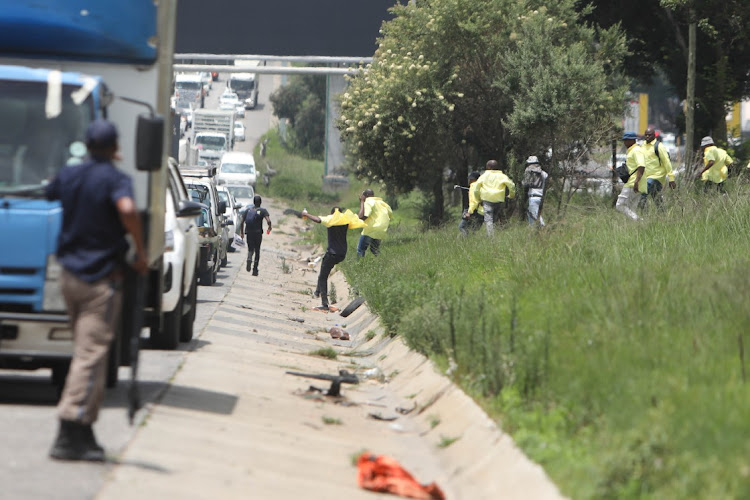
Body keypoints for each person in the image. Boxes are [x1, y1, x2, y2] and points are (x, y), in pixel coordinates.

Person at [44, 119, 148, 462]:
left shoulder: (71, 174)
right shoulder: (116, 179)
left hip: (69, 275)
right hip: (99, 279)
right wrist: (141, 251)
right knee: (91, 356)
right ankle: (68, 429)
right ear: (115, 148)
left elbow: (50, 190)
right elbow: (128, 210)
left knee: (86, 354)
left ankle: (84, 434)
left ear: (87, 146)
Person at [301, 207, 364, 311]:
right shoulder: (345, 221)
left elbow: (317, 219)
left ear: (332, 214)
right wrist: (362, 202)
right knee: (323, 270)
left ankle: (324, 304)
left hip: (332, 253)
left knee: (323, 277)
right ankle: (317, 292)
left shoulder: (330, 219)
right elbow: (360, 217)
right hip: (342, 254)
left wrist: (306, 214)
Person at [466, 160, 516, 235]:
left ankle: (490, 237)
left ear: (488, 167)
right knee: (494, 218)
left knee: (488, 219)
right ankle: (492, 234)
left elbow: (476, 189)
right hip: (499, 200)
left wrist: (478, 199)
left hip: (487, 199)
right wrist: (511, 195)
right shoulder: (502, 176)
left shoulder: (483, 176)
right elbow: (511, 185)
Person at [639, 126, 676, 210]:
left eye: (650, 135)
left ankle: (643, 216)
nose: (647, 137)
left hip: (656, 176)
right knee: (656, 198)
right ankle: (662, 215)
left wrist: (671, 178)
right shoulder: (642, 146)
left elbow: (666, 162)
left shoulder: (659, 146)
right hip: (646, 176)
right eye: (646, 135)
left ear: (654, 136)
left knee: (643, 194)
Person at [616, 131, 646, 221]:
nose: (624, 143)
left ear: (632, 140)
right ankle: (635, 226)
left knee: (619, 205)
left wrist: (636, 181)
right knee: (632, 209)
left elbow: (641, 165)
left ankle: (638, 220)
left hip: (633, 182)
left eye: (626, 140)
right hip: (638, 183)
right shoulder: (632, 150)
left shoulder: (636, 150)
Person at [239, 195, 271, 276]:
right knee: (257, 250)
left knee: (250, 249)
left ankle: (249, 258)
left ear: (253, 202)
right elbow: (268, 221)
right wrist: (269, 227)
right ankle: (255, 269)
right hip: (258, 233)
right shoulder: (263, 211)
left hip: (249, 232)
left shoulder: (248, 210)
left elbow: (242, 222)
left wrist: (242, 233)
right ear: (260, 202)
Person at [357, 189, 393, 257]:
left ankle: (360, 265)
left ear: (366, 195)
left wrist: (362, 202)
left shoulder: (368, 201)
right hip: (381, 230)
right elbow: (390, 214)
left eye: (362, 196)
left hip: (371, 229)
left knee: (360, 249)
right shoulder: (382, 202)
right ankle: (382, 263)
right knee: (374, 250)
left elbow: (362, 216)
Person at [521, 156, 548, 227]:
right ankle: (533, 230)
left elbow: (525, 183)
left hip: (533, 196)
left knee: (534, 215)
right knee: (533, 214)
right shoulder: (544, 173)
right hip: (541, 196)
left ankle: (543, 228)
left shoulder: (529, 171)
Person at [459, 171, 483, 235]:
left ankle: (466, 240)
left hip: (473, 210)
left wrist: (469, 212)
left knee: (462, 227)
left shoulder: (473, 186)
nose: (469, 181)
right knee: (473, 229)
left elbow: (474, 201)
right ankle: (472, 241)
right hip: (481, 211)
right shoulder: (481, 186)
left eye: (471, 179)